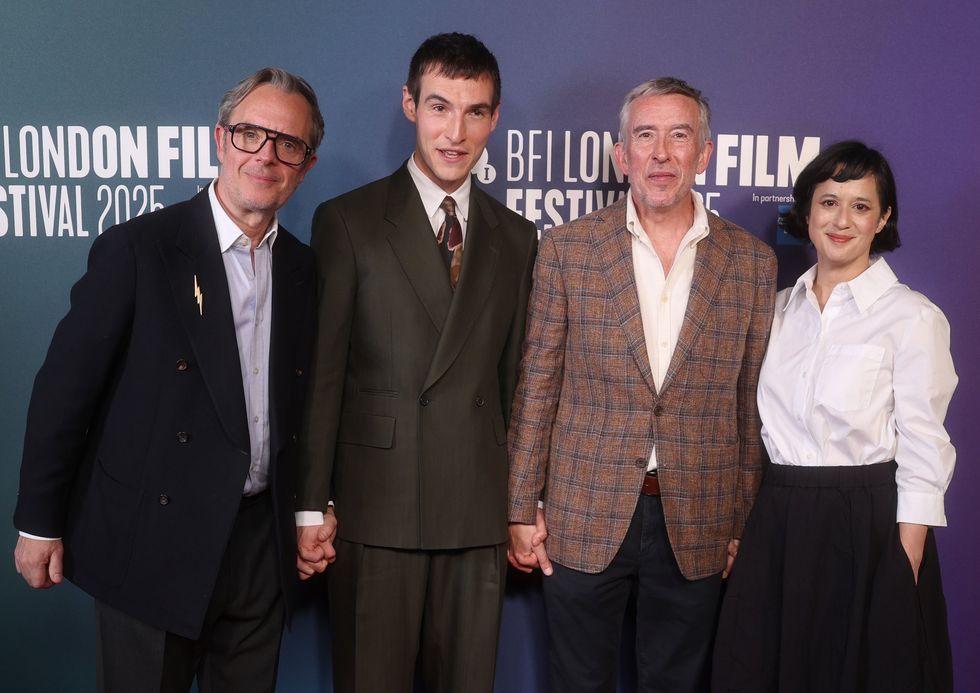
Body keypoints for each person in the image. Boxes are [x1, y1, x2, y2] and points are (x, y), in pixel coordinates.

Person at [13, 67, 322, 693]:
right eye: (250, 135)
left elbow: (308, 404)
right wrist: (39, 522)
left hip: (259, 544)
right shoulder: (140, 247)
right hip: (151, 541)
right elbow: (64, 392)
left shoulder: (305, 269)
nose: (266, 155)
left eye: (287, 143)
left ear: (306, 165)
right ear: (219, 139)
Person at [507, 77, 777, 692]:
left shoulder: (752, 263)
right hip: (583, 510)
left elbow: (750, 406)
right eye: (645, 136)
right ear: (620, 154)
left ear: (703, 153)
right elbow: (538, 383)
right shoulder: (567, 250)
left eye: (679, 136)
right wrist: (520, 506)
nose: (661, 154)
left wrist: (742, 521)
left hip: (699, 518)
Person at [295, 32, 537, 693]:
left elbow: (518, 388)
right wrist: (310, 505)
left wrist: (523, 505)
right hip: (377, 507)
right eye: (439, 106)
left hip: (475, 510)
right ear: (410, 105)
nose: (455, 131)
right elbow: (322, 376)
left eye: (475, 111)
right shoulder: (347, 221)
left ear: (494, 116)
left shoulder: (517, 238)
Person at [712, 140, 956, 693]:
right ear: (806, 212)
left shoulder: (913, 318)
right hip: (776, 519)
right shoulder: (774, 309)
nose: (841, 220)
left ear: (883, 218)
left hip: (868, 527)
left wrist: (904, 565)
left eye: (861, 206)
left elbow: (924, 448)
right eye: (828, 202)